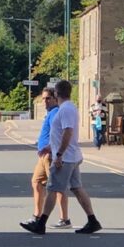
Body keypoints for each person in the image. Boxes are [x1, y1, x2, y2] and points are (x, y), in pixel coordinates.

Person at [19, 79, 102, 235]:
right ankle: (93, 221)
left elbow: (68, 132)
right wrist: (51, 147)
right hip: (71, 156)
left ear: (57, 93)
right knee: (77, 188)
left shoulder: (65, 110)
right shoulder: (68, 108)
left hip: (66, 158)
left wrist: (58, 154)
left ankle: (41, 223)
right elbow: (60, 134)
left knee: (52, 189)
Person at [22, 88, 71, 229]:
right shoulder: (50, 113)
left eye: (48, 98)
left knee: (57, 187)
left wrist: (51, 148)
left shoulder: (56, 113)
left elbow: (62, 133)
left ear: (55, 99)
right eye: (43, 98)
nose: (45, 101)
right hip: (43, 156)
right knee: (36, 182)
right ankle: (36, 216)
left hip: (50, 155)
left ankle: (64, 219)